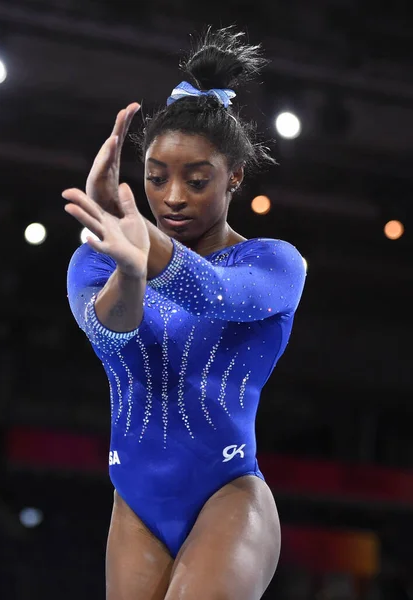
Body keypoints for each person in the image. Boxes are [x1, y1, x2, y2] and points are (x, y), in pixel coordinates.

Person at [64, 26, 306, 600]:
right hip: (135, 502)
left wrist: (140, 240)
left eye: (197, 181)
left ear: (234, 178)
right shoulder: (96, 261)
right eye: (154, 178)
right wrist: (128, 268)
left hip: (228, 493)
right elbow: (109, 329)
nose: (173, 197)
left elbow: (216, 296)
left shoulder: (274, 265)